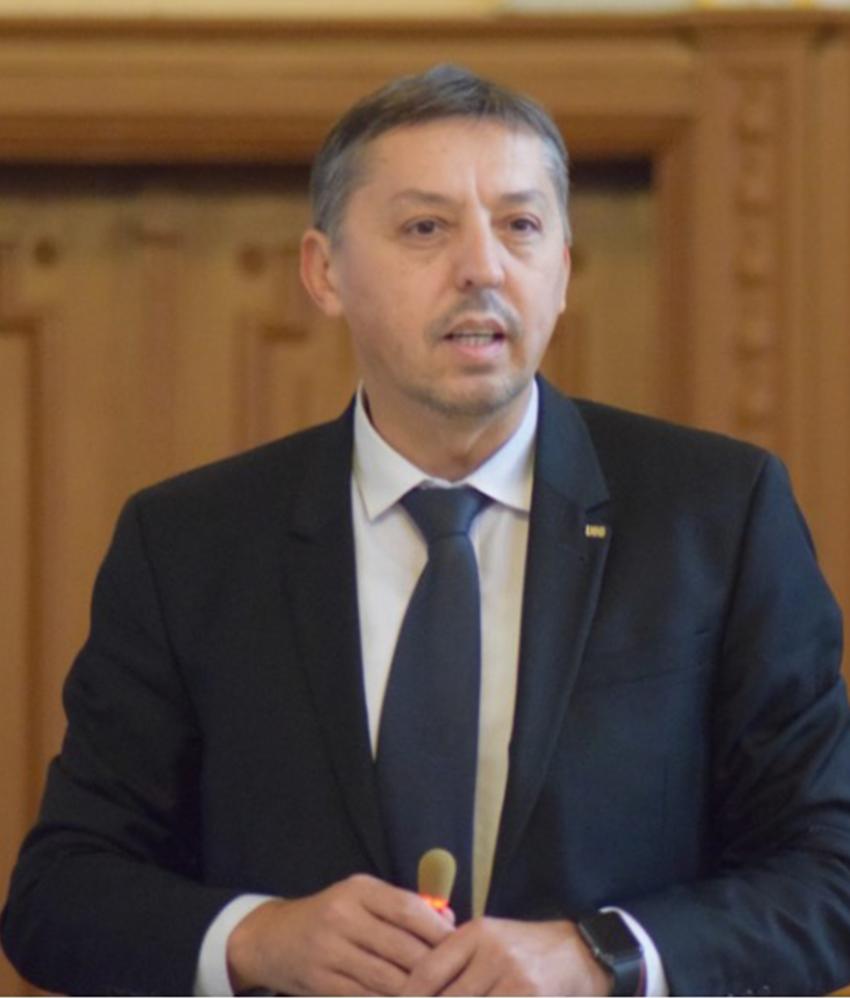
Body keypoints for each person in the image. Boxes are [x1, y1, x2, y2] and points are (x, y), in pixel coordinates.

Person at [3, 64, 850, 998]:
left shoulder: (717, 515)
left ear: (563, 271)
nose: (483, 267)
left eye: (521, 226)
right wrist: (260, 938)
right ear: (324, 273)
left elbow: (830, 872)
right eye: (425, 228)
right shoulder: (188, 544)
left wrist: (600, 957)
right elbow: (60, 895)